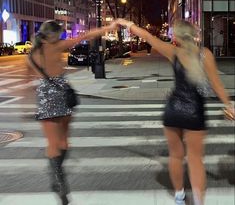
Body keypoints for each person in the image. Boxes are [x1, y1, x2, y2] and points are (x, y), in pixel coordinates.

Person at [116, 18, 235, 205]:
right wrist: (229, 106)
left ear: (177, 37)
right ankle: (199, 200)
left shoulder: (173, 52)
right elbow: (217, 85)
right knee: (195, 160)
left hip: (174, 109)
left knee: (175, 157)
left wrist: (126, 23)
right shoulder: (206, 55)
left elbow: (147, 36)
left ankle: (179, 196)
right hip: (195, 111)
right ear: (195, 35)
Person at [27, 20, 117, 205]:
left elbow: (27, 85)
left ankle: (59, 180)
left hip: (45, 98)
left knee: (52, 144)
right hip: (62, 95)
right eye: (59, 33)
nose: (61, 36)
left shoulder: (31, 55)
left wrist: (26, 106)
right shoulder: (59, 46)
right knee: (63, 142)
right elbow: (86, 36)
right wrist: (107, 28)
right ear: (53, 35)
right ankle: (57, 170)